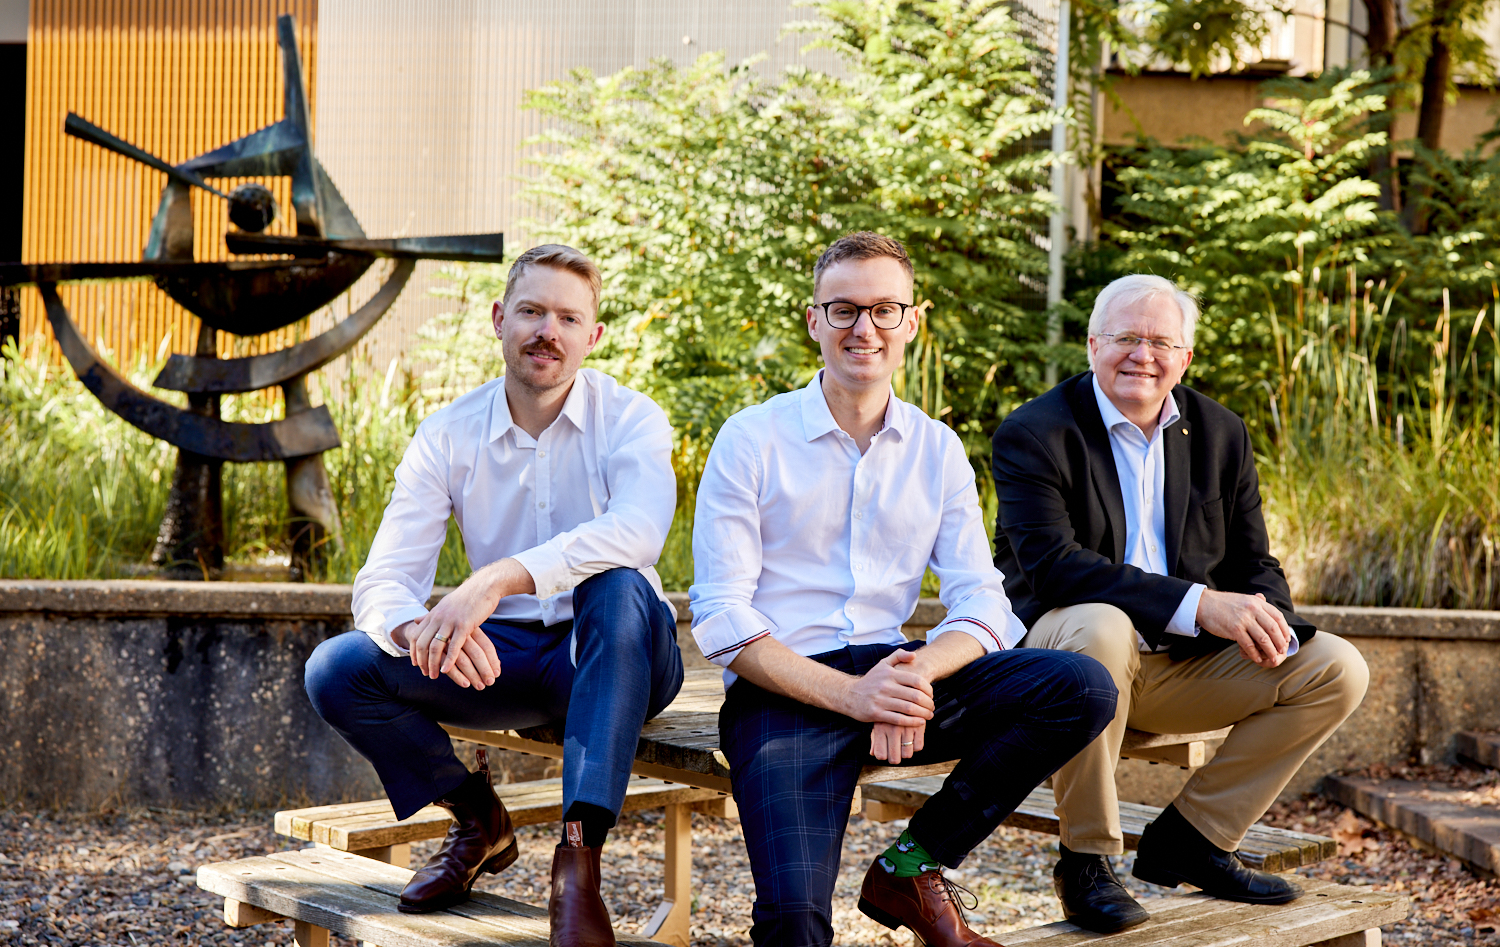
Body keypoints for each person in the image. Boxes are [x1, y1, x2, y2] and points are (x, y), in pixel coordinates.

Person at [689, 231, 1119, 947]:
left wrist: (912, 675)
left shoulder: (937, 448)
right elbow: (722, 617)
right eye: (844, 310)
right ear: (814, 320)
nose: (865, 328)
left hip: (894, 671)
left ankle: (911, 867)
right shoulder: (752, 438)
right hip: (786, 690)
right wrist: (855, 697)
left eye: (885, 309)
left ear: (911, 322)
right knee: (795, 924)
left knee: (1080, 686)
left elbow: (983, 600)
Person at [304, 245, 684, 947]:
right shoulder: (448, 433)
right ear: (499, 319)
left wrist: (497, 578)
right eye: (532, 311)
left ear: (593, 336)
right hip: (501, 661)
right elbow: (383, 580)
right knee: (337, 668)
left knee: (618, 584)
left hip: (617, 653)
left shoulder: (632, 418)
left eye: (569, 318)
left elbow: (638, 532)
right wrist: (416, 630)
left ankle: (578, 866)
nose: (548, 331)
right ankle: (478, 817)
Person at [990, 273, 1370, 934]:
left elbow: (1253, 562)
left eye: (1161, 342)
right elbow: (1053, 570)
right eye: (1126, 338)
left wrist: (1267, 620)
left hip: (1177, 668)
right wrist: (1199, 604)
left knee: (1335, 666)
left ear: (1185, 357)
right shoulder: (1036, 432)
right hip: (1065, 664)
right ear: (1092, 345)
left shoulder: (1220, 432)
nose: (1143, 355)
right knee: (1102, 627)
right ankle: (1085, 861)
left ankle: (1196, 838)